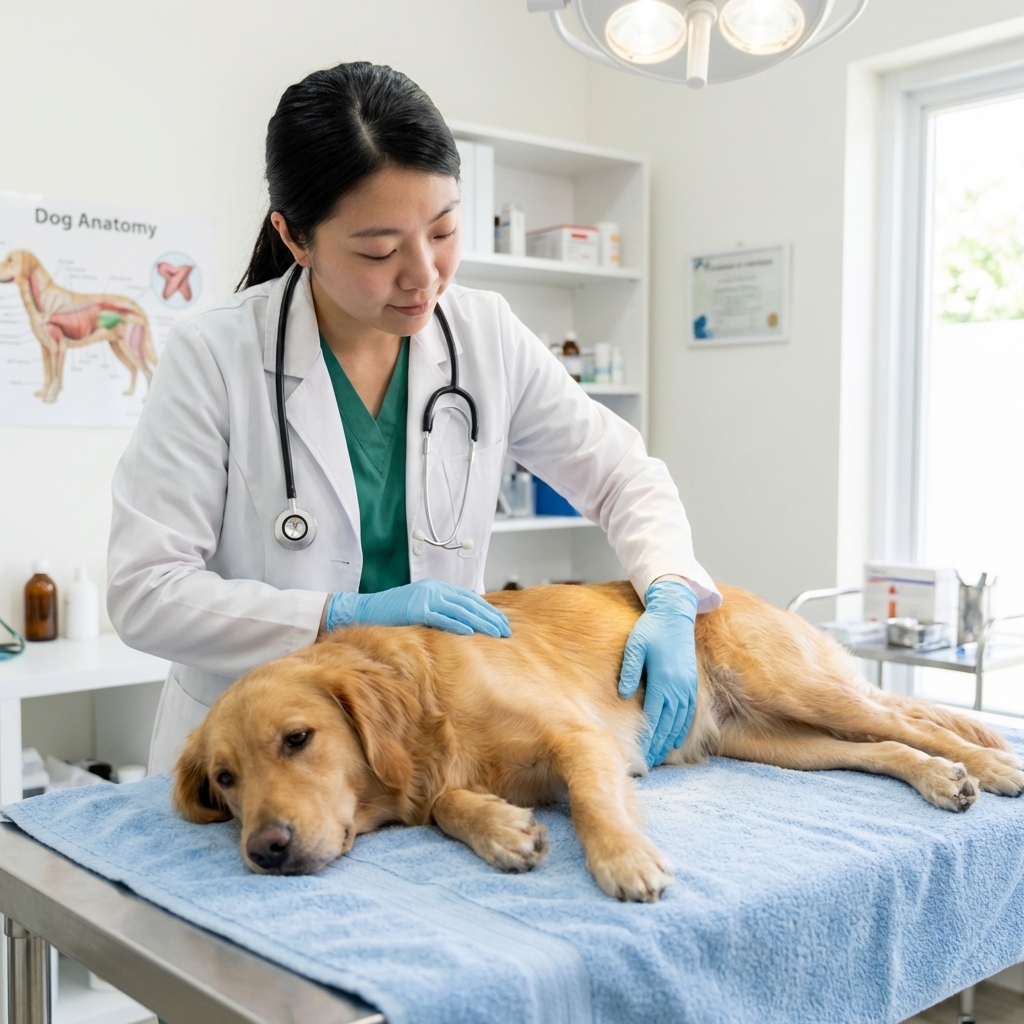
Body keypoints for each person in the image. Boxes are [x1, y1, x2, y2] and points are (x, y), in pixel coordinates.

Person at [107, 61, 721, 776]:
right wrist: (335, 617)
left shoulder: (483, 334)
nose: (423, 274)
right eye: (379, 249)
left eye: (443, 230)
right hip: (265, 752)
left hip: (433, 735)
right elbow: (146, 592)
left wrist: (672, 594)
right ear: (295, 238)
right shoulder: (215, 355)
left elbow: (620, 473)